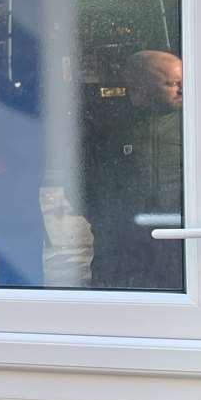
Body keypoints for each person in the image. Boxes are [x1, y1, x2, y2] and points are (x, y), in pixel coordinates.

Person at [80, 49, 185, 290]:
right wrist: (104, 219)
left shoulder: (192, 125)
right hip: (120, 244)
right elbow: (83, 177)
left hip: (173, 242)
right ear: (141, 88)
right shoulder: (108, 127)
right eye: (173, 84)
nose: (182, 90)